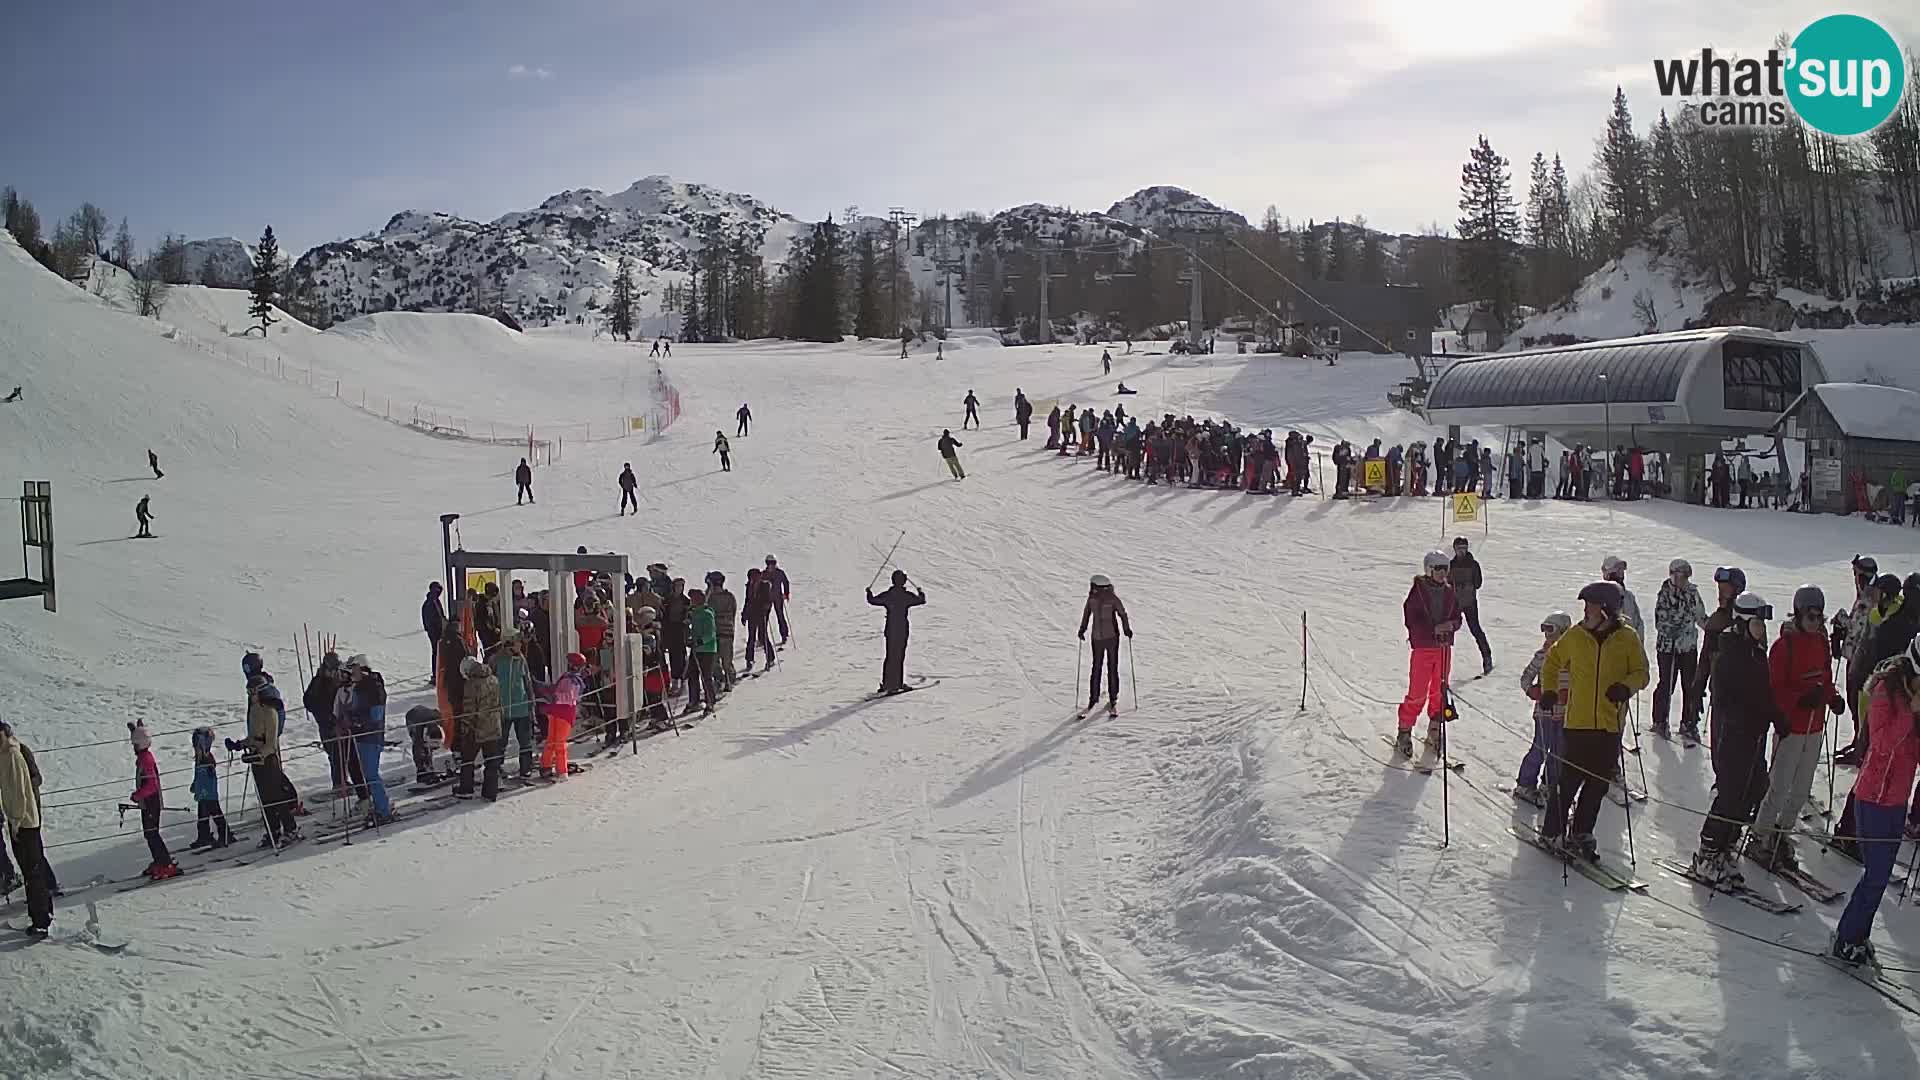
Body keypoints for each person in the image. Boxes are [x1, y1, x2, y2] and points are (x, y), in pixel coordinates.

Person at [1536, 581, 1649, 859]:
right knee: (1569, 781)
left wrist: (1626, 686)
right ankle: (1552, 831)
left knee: (1597, 783)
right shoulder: (1576, 635)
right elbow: (1552, 662)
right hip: (1578, 722)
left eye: (1591, 606)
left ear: (1607, 610)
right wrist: (1549, 690)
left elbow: (1642, 672)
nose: (1586, 611)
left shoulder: (1627, 637)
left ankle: (1581, 832)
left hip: (1610, 724)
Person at [1830, 637, 1920, 967]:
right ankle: (1846, 936)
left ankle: (1857, 935)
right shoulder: (1885, 691)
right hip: (1873, 797)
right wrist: (1910, 714)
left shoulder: (1912, 699)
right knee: (1876, 876)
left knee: (1878, 878)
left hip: (1897, 801)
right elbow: (1881, 743)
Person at [1688, 592, 1785, 884]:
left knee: (1755, 788)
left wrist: (1773, 714)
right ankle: (1708, 851)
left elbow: (1763, 691)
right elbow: (1729, 699)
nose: (1762, 629)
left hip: (1753, 735)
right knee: (1731, 794)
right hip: (1733, 736)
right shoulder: (1729, 654)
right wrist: (1759, 712)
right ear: (1743, 623)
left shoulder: (1755, 652)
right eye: (1757, 623)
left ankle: (1727, 844)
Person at [1748, 585, 1845, 872]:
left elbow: (1824, 678)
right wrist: (1801, 699)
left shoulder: (1821, 643)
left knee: (1801, 790)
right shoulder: (1783, 647)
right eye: (1811, 616)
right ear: (1799, 614)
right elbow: (1774, 689)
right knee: (1779, 787)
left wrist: (1832, 697)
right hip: (1790, 727)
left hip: (1815, 728)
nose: (1816, 623)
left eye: (1820, 617)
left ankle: (1781, 834)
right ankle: (1759, 835)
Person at [1396, 551, 1462, 757]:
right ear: (1429, 570)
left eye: (1446, 569)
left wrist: (1451, 625)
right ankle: (1404, 730)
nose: (1443, 573)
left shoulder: (1449, 592)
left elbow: (1457, 617)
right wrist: (1432, 629)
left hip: (1443, 649)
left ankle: (1435, 728)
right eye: (1439, 569)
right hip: (1424, 648)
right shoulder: (1418, 591)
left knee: (1439, 690)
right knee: (1417, 692)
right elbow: (1411, 620)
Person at [230, 658, 302, 846]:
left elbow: (270, 741)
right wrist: (240, 745)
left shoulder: (269, 711)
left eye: (251, 692)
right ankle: (273, 830)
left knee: (276, 797)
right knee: (265, 800)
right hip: (257, 760)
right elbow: (253, 735)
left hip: (268, 759)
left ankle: (291, 828)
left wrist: (260, 754)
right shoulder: (254, 710)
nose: (249, 695)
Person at [1514, 611, 1573, 805]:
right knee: (1539, 748)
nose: (1547, 634)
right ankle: (1525, 783)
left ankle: (1549, 785)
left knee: (1559, 751)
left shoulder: (1573, 658)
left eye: (1551, 630)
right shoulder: (1542, 656)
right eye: (1544, 629)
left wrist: (1572, 696)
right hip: (1545, 713)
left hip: (1566, 714)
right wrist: (1534, 691)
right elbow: (1525, 678)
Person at [0, 720, 53, 937]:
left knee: (32, 870)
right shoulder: (4, 755)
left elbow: (20, 793)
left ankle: (41, 919)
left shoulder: (12, 755)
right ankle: (42, 913)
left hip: (24, 822)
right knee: (32, 868)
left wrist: (16, 820)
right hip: (20, 821)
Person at [1651, 559, 1709, 740]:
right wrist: (1674, 629)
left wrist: (1712, 629)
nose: (1684, 581)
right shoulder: (1665, 594)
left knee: (1690, 685)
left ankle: (1688, 722)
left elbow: (1700, 616)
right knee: (1666, 683)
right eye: (1681, 577)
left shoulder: (1692, 593)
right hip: (1668, 648)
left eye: (1686, 577)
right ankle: (1660, 720)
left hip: (1688, 647)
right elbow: (1660, 621)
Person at [1834, 555, 1881, 761]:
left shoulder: (1868, 597)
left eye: (1857, 574)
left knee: (1858, 703)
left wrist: (1841, 621)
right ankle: (1858, 741)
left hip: (1861, 661)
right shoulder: (1867, 592)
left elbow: (1858, 628)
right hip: (1859, 658)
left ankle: (1862, 747)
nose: (1855, 578)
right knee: (1857, 704)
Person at [1693, 565, 1746, 748]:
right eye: (1719, 588)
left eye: (1726, 589)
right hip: (1720, 694)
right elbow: (1705, 658)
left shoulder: (1748, 621)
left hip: (1743, 698)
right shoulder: (1716, 619)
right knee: (1720, 751)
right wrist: (1697, 688)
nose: (1720, 593)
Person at [304, 651, 362, 799]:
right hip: (327, 725)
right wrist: (326, 716)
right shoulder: (319, 682)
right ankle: (339, 783)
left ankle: (346, 781)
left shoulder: (337, 680)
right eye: (332, 669)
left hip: (339, 724)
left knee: (346, 752)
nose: (335, 672)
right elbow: (309, 702)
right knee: (336, 754)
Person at [343, 656, 393, 825]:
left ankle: (384, 810)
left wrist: (357, 720)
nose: (351, 673)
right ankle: (379, 807)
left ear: (362, 668)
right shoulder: (359, 688)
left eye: (354, 669)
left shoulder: (373, 687)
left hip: (371, 736)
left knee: (371, 775)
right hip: (361, 735)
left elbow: (376, 715)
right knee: (367, 774)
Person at [127, 722, 180, 880]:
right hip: (147, 803)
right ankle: (159, 861)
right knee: (149, 834)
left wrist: (138, 795)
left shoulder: (146, 760)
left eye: (134, 744)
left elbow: (151, 785)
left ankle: (166, 864)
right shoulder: (143, 757)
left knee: (152, 834)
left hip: (151, 802)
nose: (133, 747)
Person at [1078, 574, 1134, 716]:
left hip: (1112, 637)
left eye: (1093, 586)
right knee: (1096, 667)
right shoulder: (1092, 600)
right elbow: (1086, 614)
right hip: (1096, 638)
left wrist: (1126, 628)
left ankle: (1113, 698)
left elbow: (1122, 613)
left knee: (1112, 667)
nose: (1091, 589)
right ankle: (1093, 698)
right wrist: (1082, 629)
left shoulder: (1112, 599)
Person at [867, 570, 927, 695]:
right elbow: (921, 600)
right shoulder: (906, 596)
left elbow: (872, 600)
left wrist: (869, 593)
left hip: (890, 629)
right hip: (901, 629)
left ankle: (886, 684)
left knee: (890, 656)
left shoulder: (888, 595)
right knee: (899, 656)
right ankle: (897, 684)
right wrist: (920, 591)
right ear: (903, 581)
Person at [454, 657, 505, 801]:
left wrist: (465, 727)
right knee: (492, 761)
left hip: (477, 728)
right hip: (493, 725)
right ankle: (490, 792)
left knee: (468, 759)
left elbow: (470, 709)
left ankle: (466, 788)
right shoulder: (494, 679)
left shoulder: (471, 684)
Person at [492, 631, 538, 780]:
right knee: (500, 741)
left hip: (521, 707)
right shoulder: (496, 660)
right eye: (518, 642)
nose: (520, 645)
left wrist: (531, 701)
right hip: (503, 708)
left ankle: (526, 767)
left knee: (525, 740)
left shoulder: (521, 659)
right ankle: (496, 767)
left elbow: (527, 681)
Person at [1449, 537, 1494, 676]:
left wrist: (1467, 585)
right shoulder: (1451, 564)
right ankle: (1442, 663)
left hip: (1469, 601)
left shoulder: (1473, 564)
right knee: (1448, 630)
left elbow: (1478, 583)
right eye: (1459, 549)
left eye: (1463, 548)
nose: (1461, 551)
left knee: (1475, 629)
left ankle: (1487, 658)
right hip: (1455, 602)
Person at [539, 653, 587, 778]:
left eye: (570, 663)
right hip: (555, 712)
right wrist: (543, 688)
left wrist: (554, 697)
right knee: (550, 740)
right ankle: (546, 766)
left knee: (559, 742)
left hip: (564, 714)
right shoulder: (566, 677)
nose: (569, 666)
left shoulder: (575, 681)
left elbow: (569, 698)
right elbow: (556, 689)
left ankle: (562, 770)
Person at [187, 727, 235, 849]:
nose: (195, 748)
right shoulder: (199, 759)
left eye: (196, 746)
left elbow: (206, 779)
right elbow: (198, 776)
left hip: (209, 793)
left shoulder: (207, 760)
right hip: (203, 793)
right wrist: (195, 784)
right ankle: (204, 836)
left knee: (215, 813)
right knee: (202, 815)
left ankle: (225, 834)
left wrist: (199, 789)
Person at [686, 591, 718, 715]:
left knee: (706, 676)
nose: (691, 602)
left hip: (707, 650)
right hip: (696, 649)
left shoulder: (707, 614)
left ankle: (710, 701)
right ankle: (694, 700)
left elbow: (710, 634)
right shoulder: (694, 614)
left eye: (692, 599)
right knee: (692, 675)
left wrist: (699, 642)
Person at [706, 571, 739, 692]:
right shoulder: (728, 597)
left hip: (722, 631)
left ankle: (728, 679)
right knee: (716, 660)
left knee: (724, 659)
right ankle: (721, 679)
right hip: (720, 632)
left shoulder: (714, 597)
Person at [742, 567, 777, 674]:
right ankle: (749, 659)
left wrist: (767, 608)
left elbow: (769, 599)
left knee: (762, 636)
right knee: (751, 637)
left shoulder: (765, 585)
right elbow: (747, 601)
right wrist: (744, 614)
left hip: (762, 614)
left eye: (756, 576)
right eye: (752, 577)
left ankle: (770, 658)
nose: (754, 578)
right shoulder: (749, 586)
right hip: (752, 614)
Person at [1601, 556, 1643, 639]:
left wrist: (1638, 645)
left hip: (1631, 646)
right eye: (1618, 570)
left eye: (1622, 570)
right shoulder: (1599, 598)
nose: (1621, 573)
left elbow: (1638, 623)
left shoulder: (1629, 597)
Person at [764, 556, 792, 644]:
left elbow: (785, 582)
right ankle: (762, 637)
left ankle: (784, 635)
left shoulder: (780, 573)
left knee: (780, 616)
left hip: (778, 597)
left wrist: (786, 593)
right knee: (765, 618)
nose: (771, 565)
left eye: (772, 563)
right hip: (767, 599)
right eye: (769, 563)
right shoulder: (764, 574)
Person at [422, 582, 446, 686]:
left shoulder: (436, 601)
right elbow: (431, 620)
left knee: (439, 653)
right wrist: (437, 630)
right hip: (435, 633)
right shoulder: (429, 603)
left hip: (438, 631)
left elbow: (441, 616)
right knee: (436, 652)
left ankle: (438, 674)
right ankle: (436, 675)